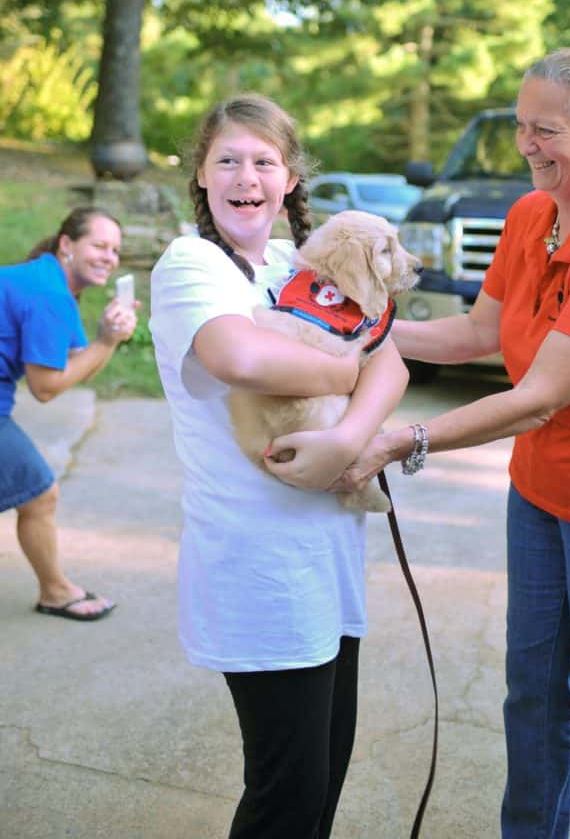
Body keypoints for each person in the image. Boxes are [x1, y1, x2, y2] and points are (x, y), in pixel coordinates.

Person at [268, 47, 570, 838]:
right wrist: (352, 329)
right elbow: (476, 332)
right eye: (521, 126)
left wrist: (398, 439)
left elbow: (535, 399)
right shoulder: (532, 214)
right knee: (529, 692)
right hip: (541, 491)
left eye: (545, 130)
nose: (526, 144)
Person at [149, 93, 407, 839]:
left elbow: (390, 358)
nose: (246, 176)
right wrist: (348, 370)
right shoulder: (191, 263)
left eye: (264, 161)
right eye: (227, 159)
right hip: (256, 565)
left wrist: (348, 437)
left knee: (323, 776)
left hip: (327, 558)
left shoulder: (302, 264)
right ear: (201, 175)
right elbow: (242, 356)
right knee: (284, 794)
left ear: (290, 177)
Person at [1, 206, 138, 621]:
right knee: (41, 493)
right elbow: (46, 388)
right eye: (99, 245)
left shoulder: (50, 283)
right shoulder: (50, 295)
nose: (109, 257)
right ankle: (56, 591)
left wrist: (107, 339)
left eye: (114, 250)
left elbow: (77, 359)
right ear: (67, 245)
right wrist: (107, 343)